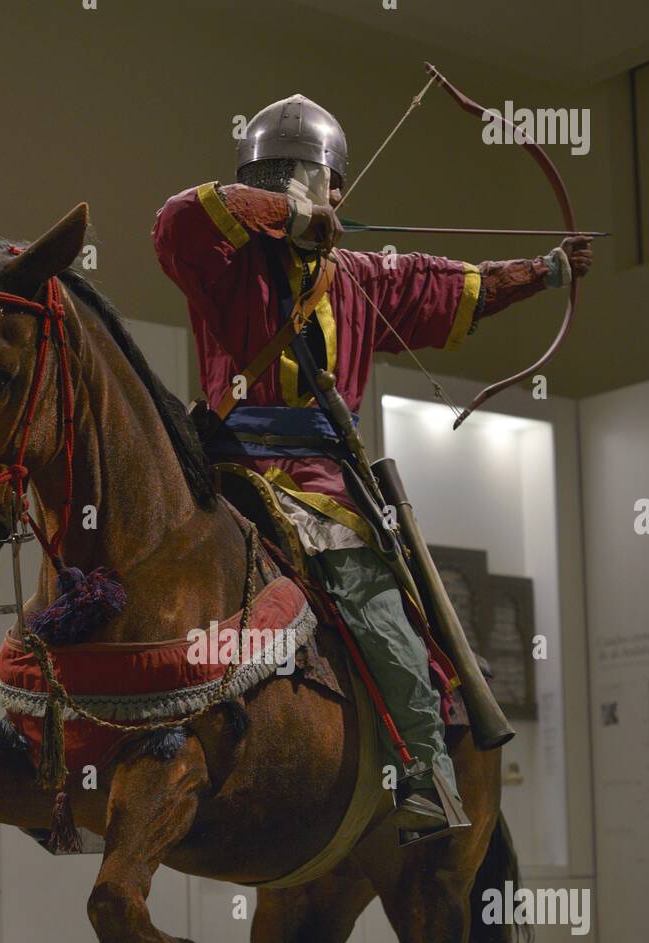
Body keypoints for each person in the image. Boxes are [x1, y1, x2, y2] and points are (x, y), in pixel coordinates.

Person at [152, 94, 592, 843]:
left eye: (304, 178)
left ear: (337, 190)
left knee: (376, 604)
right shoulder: (222, 265)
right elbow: (178, 219)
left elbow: (460, 287)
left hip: (321, 488)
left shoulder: (367, 276)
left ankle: (426, 773)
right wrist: (288, 216)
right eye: (271, 178)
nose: (289, 189)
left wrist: (545, 270)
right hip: (222, 470)